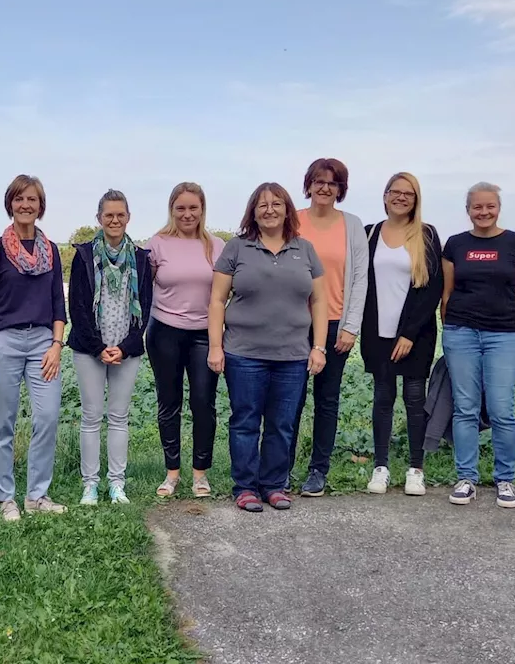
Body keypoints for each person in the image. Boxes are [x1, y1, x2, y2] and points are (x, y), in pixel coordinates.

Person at [209, 182, 328, 513]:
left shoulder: (305, 250)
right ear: (253, 212)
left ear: (288, 210)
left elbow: (318, 301)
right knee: (245, 420)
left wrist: (318, 347)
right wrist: (215, 347)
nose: (270, 209)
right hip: (243, 353)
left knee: (282, 423)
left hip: (292, 355)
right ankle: (245, 487)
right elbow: (218, 300)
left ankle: (274, 485)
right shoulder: (236, 248)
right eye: (262, 205)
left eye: (277, 203)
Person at [0, 174, 68, 521]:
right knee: (3, 422)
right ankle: (5, 499)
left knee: (47, 416)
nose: (26, 205)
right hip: (4, 341)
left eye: (32, 199)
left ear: (40, 206)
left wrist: (57, 344)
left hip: (44, 341)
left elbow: (58, 305)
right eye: (19, 199)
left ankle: (37, 495)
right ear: (10, 204)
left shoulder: (51, 250)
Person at [441, 182, 515, 508]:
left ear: (498, 207)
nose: (483, 212)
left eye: (489, 207)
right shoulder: (455, 245)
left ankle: (505, 479)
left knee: (501, 410)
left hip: (505, 336)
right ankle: (466, 477)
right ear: (467, 210)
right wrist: (449, 329)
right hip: (461, 333)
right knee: (465, 408)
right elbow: (447, 293)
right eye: (477, 207)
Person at [66, 189, 154, 505]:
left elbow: (145, 307)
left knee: (118, 416)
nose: (114, 220)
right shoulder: (85, 255)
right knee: (91, 417)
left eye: (120, 215)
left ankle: (117, 483)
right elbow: (76, 306)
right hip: (90, 349)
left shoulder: (142, 259)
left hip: (126, 349)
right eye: (108, 215)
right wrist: (98, 347)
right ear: (99, 219)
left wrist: (127, 346)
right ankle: (90, 484)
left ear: (128, 217)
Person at [289, 158, 369, 497]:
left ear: (341, 189)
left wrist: (351, 327)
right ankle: (281, 468)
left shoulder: (352, 225)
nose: (325, 188)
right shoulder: (293, 221)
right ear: (308, 185)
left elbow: (360, 278)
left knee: (327, 400)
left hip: (335, 322)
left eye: (332, 183)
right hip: (293, 323)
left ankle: (317, 470)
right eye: (319, 181)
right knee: (288, 399)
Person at [360, 173, 443, 496]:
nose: (401, 197)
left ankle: (415, 469)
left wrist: (409, 333)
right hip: (377, 333)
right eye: (395, 192)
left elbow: (432, 287)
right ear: (384, 196)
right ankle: (380, 467)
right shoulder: (370, 234)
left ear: (416, 199)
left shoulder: (426, 234)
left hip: (415, 335)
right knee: (382, 398)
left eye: (408, 193)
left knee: (413, 398)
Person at [146, 183, 227, 499]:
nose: (187, 214)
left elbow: (225, 293)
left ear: (202, 210)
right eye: (181, 208)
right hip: (164, 331)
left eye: (193, 207)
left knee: (203, 403)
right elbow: (143, 288)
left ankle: (200, 475)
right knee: (169, 403)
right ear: (172, 210)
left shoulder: (217, 246)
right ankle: (172, 474)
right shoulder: (158, 244)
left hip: (204, 335)